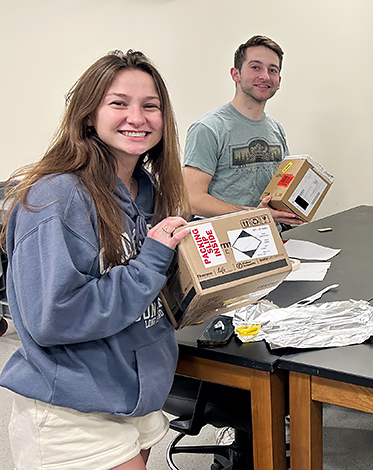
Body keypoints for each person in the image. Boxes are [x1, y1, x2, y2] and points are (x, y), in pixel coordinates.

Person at [0, 50, 191, 470]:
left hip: (133, 392)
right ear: (89, 115)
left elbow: (148, 295)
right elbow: (54, 317)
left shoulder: (150, 192)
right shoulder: (57, 196)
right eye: (119, 103)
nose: (137, 118)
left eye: (150, 106)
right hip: (73, 403)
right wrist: (152, 260)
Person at [182, 35, 303, 227]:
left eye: (272, 70)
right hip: (225, 241)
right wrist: (255, 214)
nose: (265, 76)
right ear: (235, 74)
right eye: (255, 67)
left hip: (273, 236)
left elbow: (280, 189)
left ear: (278, 81)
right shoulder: (208, 128)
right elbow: (192, 200)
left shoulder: (275, 129)